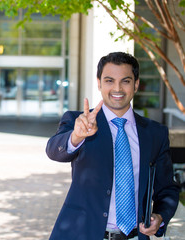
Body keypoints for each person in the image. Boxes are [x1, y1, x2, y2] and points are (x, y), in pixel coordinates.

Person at [46, 52, 180, 240]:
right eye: (109, 80)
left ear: (135, 84)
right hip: (82, 234)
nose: (117, 88)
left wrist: (160, 216)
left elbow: (166, 188)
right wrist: (76, 136)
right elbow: (54, 150)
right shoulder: (80, 122)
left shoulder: (155, 133)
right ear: (99, 83)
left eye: (125, 81)